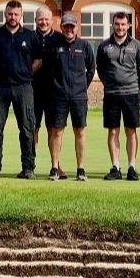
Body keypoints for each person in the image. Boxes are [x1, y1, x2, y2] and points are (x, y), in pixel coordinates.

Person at [0, 0, 42, 179]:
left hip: (23, 87)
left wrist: (23, 73)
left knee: (26, 128)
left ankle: (28, 167)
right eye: (10, 14)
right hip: (0, 87)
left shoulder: (31, 36)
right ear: (5, 15)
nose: (13, 17)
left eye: (16, 14)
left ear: (21, 15)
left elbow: (38, 61)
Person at [44, 12, 95, 182]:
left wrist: (81, 87)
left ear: (76, 27)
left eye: (72, 26)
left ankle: (80, 169)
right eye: (66, 26)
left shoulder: (85, 46)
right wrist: (57, 87)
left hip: (79, 97)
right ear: (61, 27)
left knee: (79, 131)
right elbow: (49, 71)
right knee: (57, 131)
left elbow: (91, 70)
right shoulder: (54, 45)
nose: (69, 29)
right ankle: (54, 167)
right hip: (59, 97)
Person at [96, 11, 140, 181]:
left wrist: (131, 84)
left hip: (131, 94)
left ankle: (132, 167)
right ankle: (115, 167)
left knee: (131, 131)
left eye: (123, 24)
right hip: (111, 94)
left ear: (129, 25)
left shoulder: (136, 45)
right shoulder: (104, 46)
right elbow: (101, 70)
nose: (120, 27)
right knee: (113, 131)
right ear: (113, 25)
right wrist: (111, 83)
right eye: (117, 24)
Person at [32, 6, 58, 150]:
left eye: (46, 19)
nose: (43, 22)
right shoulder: (28, 37)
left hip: (53, 93)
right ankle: (30, 165)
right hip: (32, 91)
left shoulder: (59, 38)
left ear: (52, 21)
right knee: (32, 128)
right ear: (35, 20)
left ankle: (55, 165)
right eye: (40, 19)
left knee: (53, 129)